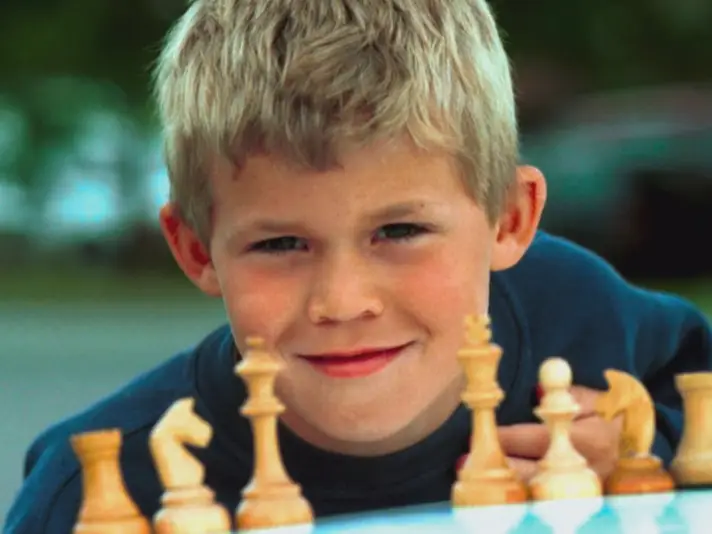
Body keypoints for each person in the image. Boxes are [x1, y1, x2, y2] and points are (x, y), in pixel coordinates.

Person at [5, 1, 712, 532]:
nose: (342, 302)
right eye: (280, 245)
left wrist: (655, 461)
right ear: (196, 249)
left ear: (511, 220)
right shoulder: (100, 492)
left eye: (399, 231)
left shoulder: (583, 316)